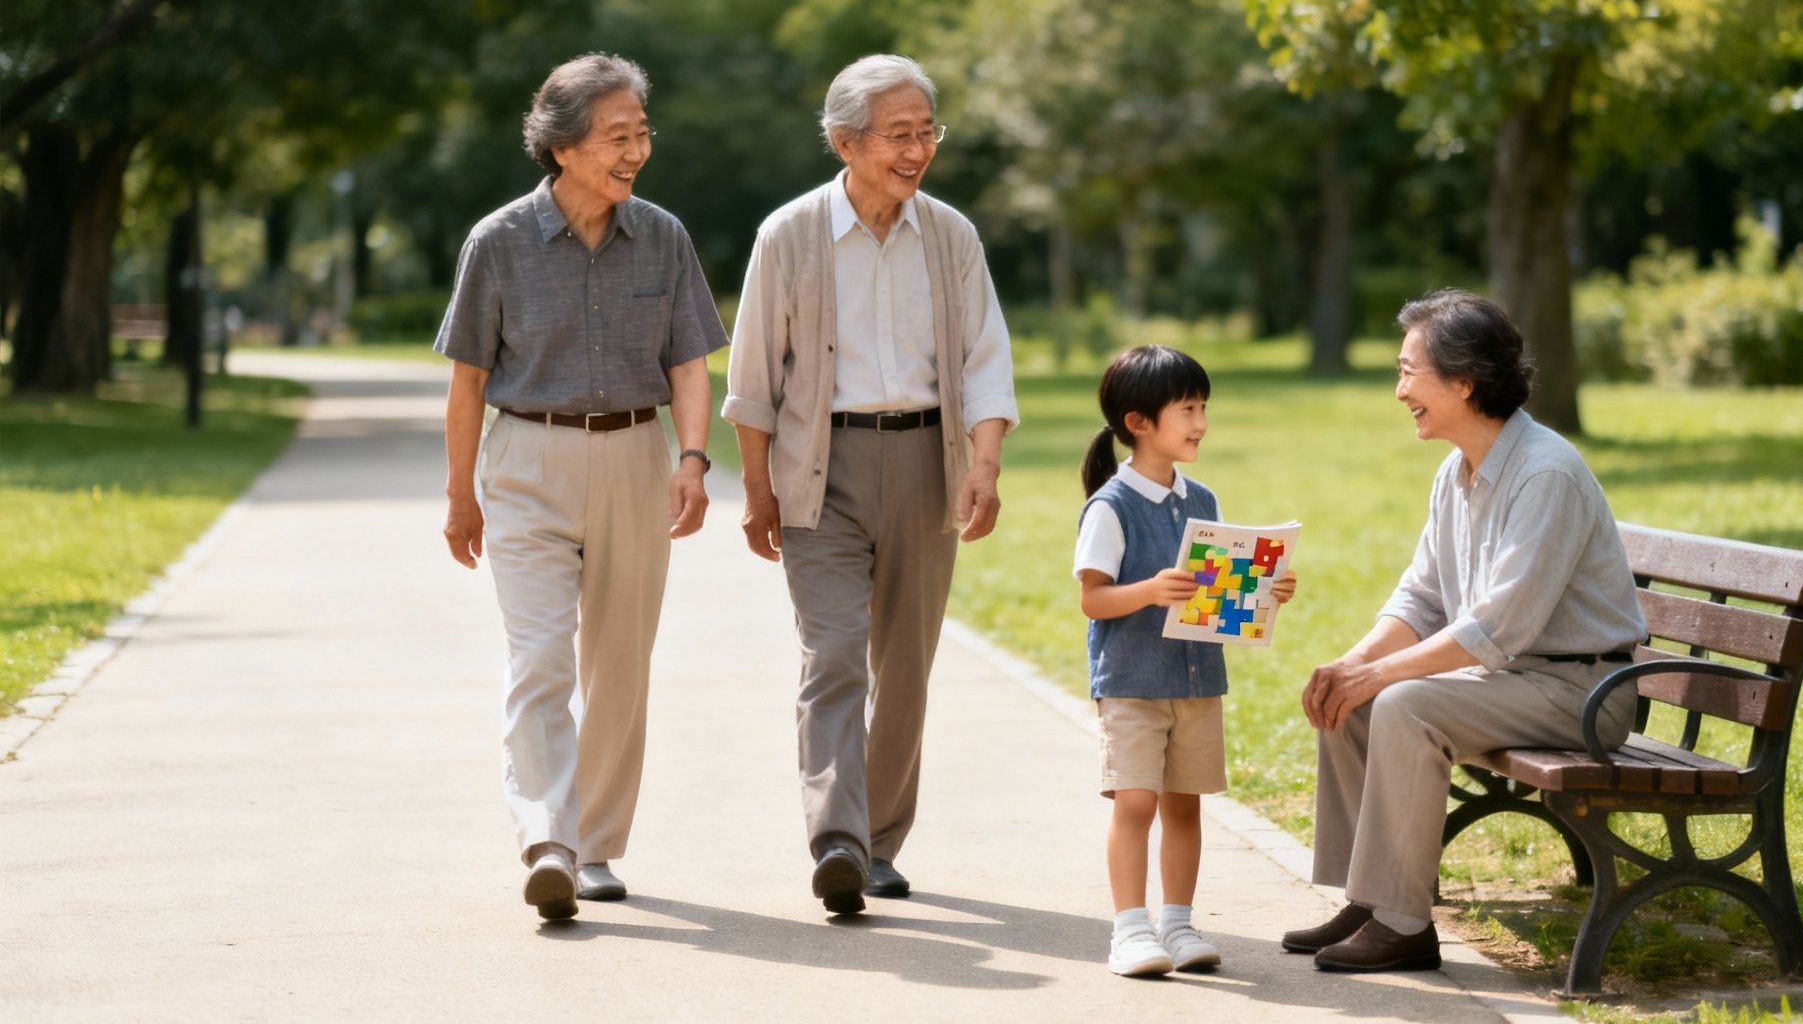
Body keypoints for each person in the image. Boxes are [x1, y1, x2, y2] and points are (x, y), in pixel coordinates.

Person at [722, 54, 1018, 916]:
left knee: (907, 665)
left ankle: (880, 841)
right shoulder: (789, 234)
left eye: (928, 131)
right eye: (900, 134)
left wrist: (985, 465)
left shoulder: (952, 235)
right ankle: (838, 839)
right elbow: (752, 372)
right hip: (822, 466)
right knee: (836, 652)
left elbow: (985, 359)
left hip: (927, 462)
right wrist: (756, 487)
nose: (918, 149)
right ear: (846, 142)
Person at [435, 53, 727, 921]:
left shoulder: (664, 236)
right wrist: (460, 495)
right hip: (527, 461)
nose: (634, 152)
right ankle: (546, 838)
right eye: (616, 137)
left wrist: (693, 460)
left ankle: (595, 845)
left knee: (619, 662)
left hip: (637, 456)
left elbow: (690, 363)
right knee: (539, 658)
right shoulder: (497, 242)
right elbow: (467, 382)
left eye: (641, 134)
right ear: (562, 148)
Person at [1284, 289, 1647, 972]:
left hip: (1583, 689)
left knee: (1403, 702)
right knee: (1351, 697)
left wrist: (1382, 675)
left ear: (1463, 381)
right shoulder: (1456, 473)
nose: (1399, 391)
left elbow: (1498, 623)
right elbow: (1422, 597)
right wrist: (1352, 663)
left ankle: (1403, 924)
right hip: (1513, 678)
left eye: (1408, 371)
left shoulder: (1546, 473)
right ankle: (1370, 899)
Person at [1074, 345, 1298, 976]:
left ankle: (1177, 922)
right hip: (1133, 685)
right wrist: (1148, 590)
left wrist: (1267, 589)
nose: (1201, 422)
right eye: (1188, 409)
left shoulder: (1203, 499)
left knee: (1184, 804)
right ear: (1139, 422)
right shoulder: (1110, 507)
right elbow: (1092, 599)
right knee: (1136, 803)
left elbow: (1224, 596)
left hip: (1197, 682)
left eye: (1203, 407)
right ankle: (1129, 930)